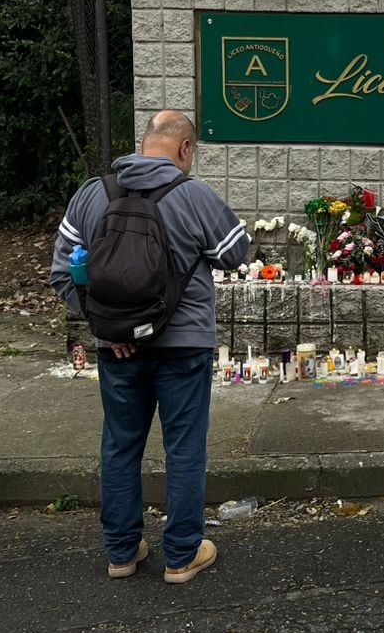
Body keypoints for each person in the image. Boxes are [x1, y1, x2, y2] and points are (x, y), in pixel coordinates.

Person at [50, 110, 248, 583]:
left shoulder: (93, 193)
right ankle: (181, 555)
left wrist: (110, 327)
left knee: (120, 445)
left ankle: (121, 552)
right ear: (184, 149)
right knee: (184, 448)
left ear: (143, 144)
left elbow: (62, 273)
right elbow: (235, 253)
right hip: (184, 345)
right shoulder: (194, 194)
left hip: (117, 348)